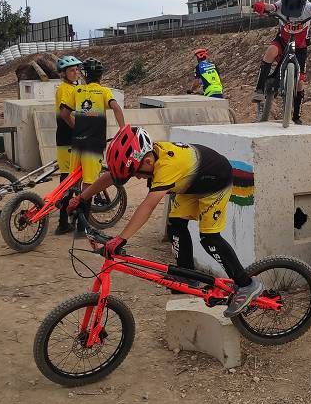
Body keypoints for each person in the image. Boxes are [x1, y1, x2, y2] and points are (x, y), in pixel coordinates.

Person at [66, 126, 262, 318]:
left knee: (209, 238)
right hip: (193, 182)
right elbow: (112, 176)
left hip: (216, 181)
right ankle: (187, 276)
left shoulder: (166, 167)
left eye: (137, 172)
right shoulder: (148, 157)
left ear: (149, 161)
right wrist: (82, 198)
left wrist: (121, 238)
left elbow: (148, 206)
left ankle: (246, 284)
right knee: (176, 224)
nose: (137, 176)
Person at [250, 0, 311, 125]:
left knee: (300, 83)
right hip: (283, 41)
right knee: (270, 52)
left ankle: (296, 115)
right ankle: (259, 89)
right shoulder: (280, 4)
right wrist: (261, 6)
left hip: (301, 47)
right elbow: (271, 7)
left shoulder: (308, 6)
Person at [70, 58, 126, 217]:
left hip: (77, 141)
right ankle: (82, 223)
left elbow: (66, 113)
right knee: (89, 184)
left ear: (84, 75)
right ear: (100, 76)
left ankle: (68, 215)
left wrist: (78, 126)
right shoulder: (104, 91)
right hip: (93, 143)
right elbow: (116, 107)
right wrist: (122, 130)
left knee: (73, 181)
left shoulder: (77, 91)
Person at [52, 55, 84, 235]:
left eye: (77, 69)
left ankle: (66, 218)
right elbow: (65, 114)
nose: (75, 72)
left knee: (69, 179)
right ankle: (63, 222)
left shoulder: (71, 87)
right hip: (67, 138)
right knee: (68, 180)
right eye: (71, 70)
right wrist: (77, 129)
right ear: (64, 73)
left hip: (66, 138)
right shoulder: (66, 89)